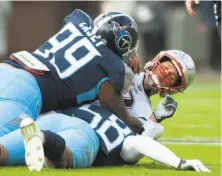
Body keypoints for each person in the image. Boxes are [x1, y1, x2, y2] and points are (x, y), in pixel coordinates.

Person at [0, 49, 209, 172]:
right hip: (53, 110)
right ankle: (44, 139)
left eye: (172, 76)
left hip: (69, 123)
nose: (165, 72)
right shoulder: (123, 67)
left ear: (174, 87)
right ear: (158, 59)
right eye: (167, 66)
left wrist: (153, 121)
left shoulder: (144, 113)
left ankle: (43, 139)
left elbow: (134, 144)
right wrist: (121, 50)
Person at [0, 9, 145, 137]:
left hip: (7, 68)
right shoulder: (111, 66)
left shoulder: (78, 21)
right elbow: (114, 107)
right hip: (28, 90)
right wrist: (137, 125)